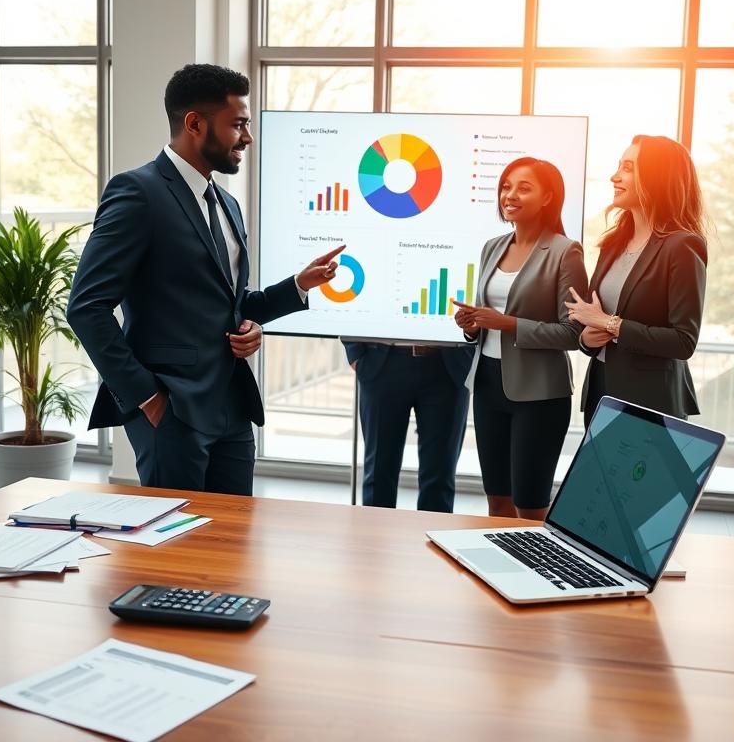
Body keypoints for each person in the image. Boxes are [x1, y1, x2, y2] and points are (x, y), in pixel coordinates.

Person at [68, 64, 342, 495]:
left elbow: (230, 303)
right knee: (176, 534)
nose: (247, 137)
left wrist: (296, 289)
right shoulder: (137, 193)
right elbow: (86, 307)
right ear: (195, 123)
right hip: (171, 408)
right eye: (238, 124)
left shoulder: (228, 204)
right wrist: (147, 398)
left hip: (232, 406)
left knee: (235, 533)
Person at [453, 157, 588, 520]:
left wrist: (508, 323)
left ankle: (534, 558)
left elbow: (574, 332)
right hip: (487, 385)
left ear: (548, 197)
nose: (510, 195)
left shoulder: (565, 252)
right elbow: (488, 317)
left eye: (523, 188)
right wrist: (472, 325)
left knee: (529, 507)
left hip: (538, 395)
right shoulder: (492, 247)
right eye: (506, 186)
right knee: (497, 502)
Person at [564, 134, 708, 428]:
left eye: (628, 168)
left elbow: (683, 342)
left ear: (657, 177)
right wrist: (586, 339)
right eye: (619, 166)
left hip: (649, 400)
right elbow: (593, 322)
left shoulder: (682, 245)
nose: (614, 176)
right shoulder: (613, 244)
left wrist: (610, 324)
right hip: (601, 393)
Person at [342, 341, 473, 513]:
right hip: (382, 363)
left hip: (448, 365)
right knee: (378, 475)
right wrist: (355, 354)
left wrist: (470, 356)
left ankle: (433, 532)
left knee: (440, 478)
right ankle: (374, 532)